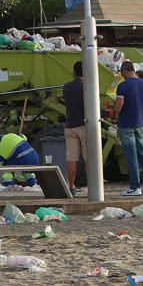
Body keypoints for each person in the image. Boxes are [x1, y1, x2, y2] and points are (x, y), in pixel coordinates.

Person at [114, 60, 143, 196]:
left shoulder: (122, 86)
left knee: (131, 156)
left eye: (121, 72)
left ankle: (134, 187)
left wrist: (116, 111)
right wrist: (142, 115)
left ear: (125, 70)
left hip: (126, 124)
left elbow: (119, 106)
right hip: (140, 124)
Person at [63, 62, 85, 192]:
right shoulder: (88, 86)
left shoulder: (67, 87)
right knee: (90, 157)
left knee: (71, 158)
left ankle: (71, 186)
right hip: (84, 125)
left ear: (74, 71)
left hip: (70, 125)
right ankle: (95, 186)